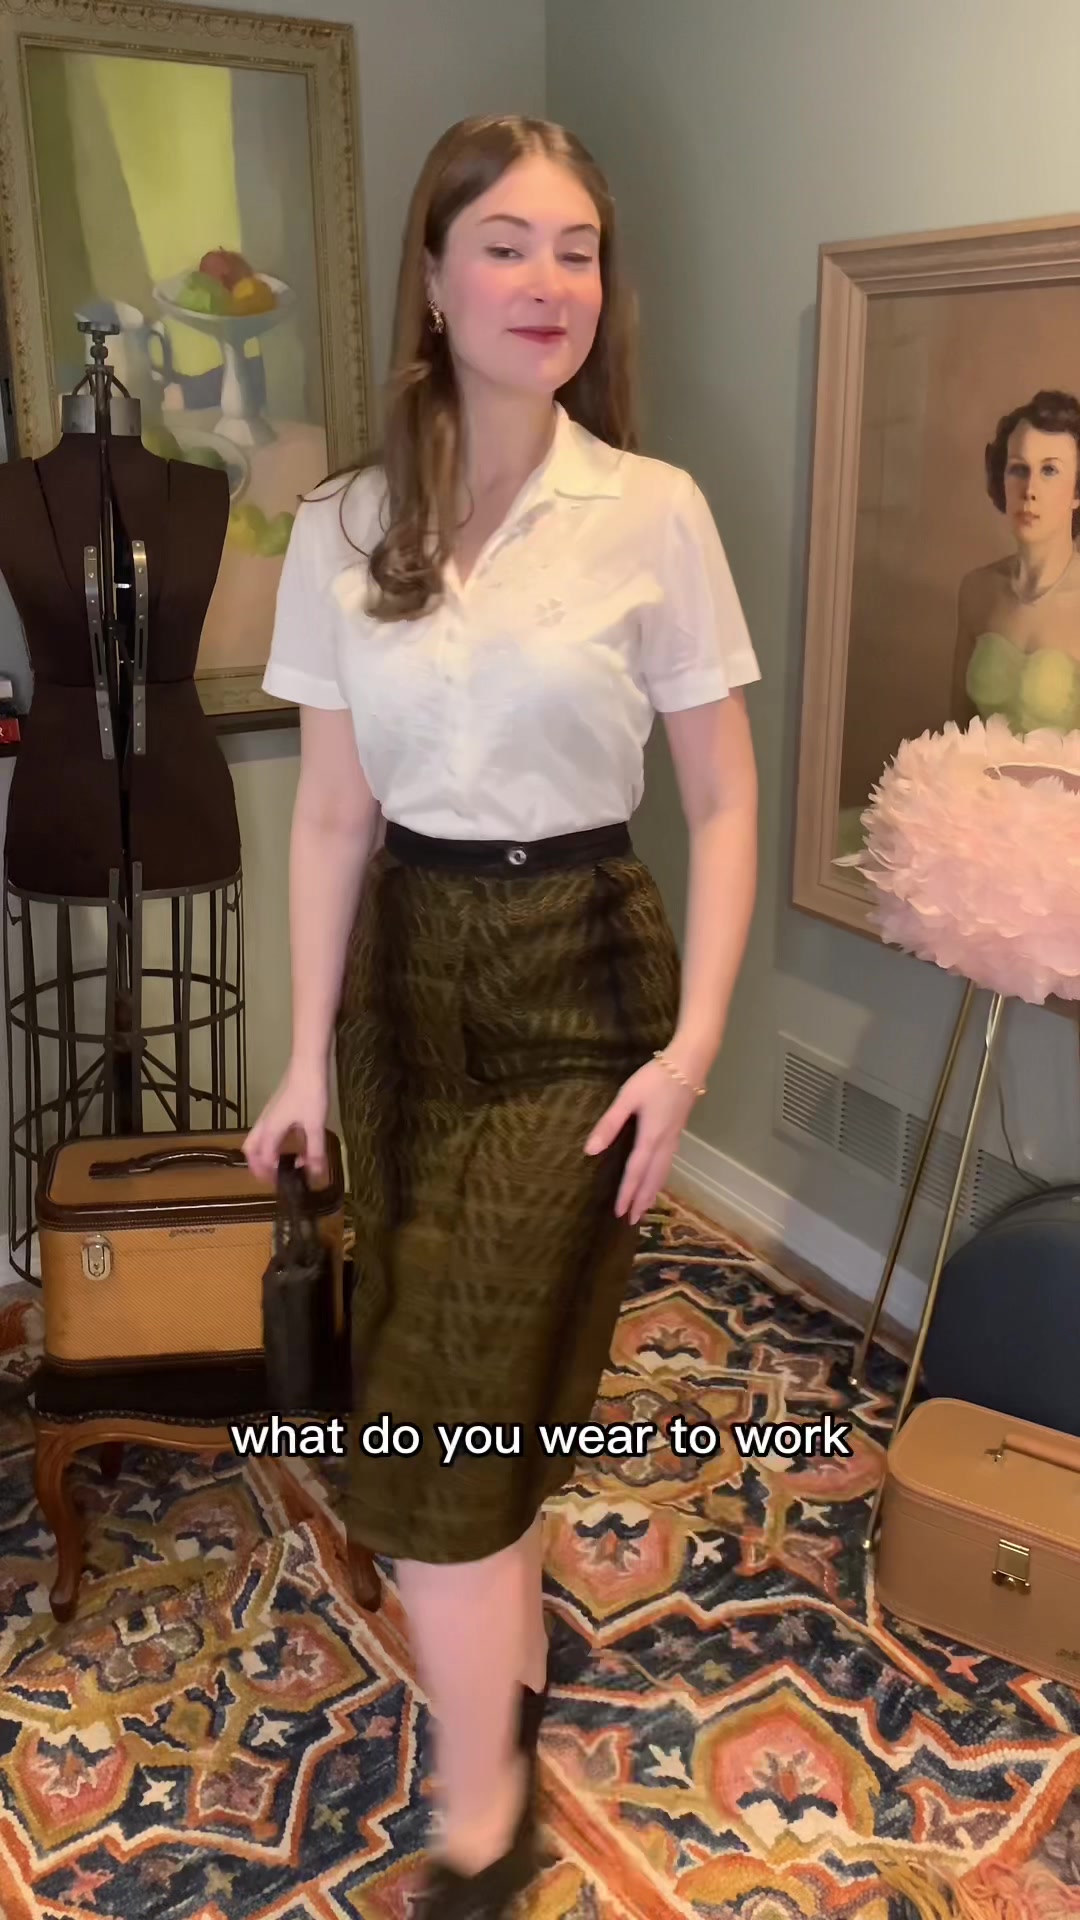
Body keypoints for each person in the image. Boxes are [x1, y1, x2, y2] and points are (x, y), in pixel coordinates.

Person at [244, 114, 759, 1919]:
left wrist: (690, 1054)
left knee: (431, 1411)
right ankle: (512, 1648)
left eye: (579, 250)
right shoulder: (341, 522)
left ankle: (482, 1828)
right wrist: (303, 1055)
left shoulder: (655, 511)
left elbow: (724, 801)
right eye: (509, 244)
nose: (550, 283)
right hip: (404, 979)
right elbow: (331, 816)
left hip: (578, 977)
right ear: (435, 274)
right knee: (453, 1340)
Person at [953, 390, 1080, 736]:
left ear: (1076, 492)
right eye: (1018, 470)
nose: (1030, 490)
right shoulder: (977, 590)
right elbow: (954, 740)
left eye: (1050, 470)